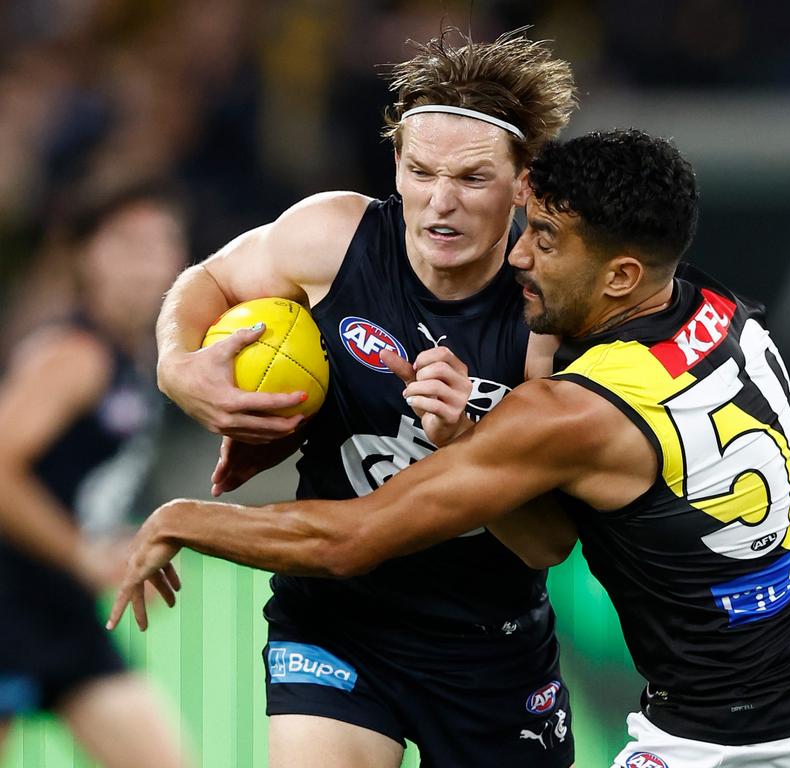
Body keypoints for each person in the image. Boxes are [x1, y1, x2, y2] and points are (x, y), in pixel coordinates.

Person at [112, 128, 790, 767]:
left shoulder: (572, 412)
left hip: (733, 735)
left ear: (620, 275)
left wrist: (184, 519)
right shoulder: (715, 308)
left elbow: (351, 539)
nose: (519, 256)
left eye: (544, 239)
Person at [150, 28, 580, 768]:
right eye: (421, 172)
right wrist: (177, 365)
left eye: (472, 179)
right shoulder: (333, 237)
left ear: (524, 182)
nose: (440, 202)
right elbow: (211, 281)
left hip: (487, 648)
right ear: (397, 165)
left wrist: (466, 445)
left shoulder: (550, 316)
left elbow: (550, 542)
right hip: (335, 623)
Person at [0, 183, 192, 768]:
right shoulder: (74, 354)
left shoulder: (133, 357)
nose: (150, 260)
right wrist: (82, 552)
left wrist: (114, 550)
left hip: (58, 611)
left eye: (163, 242)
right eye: (130, 242)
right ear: (87, 256)